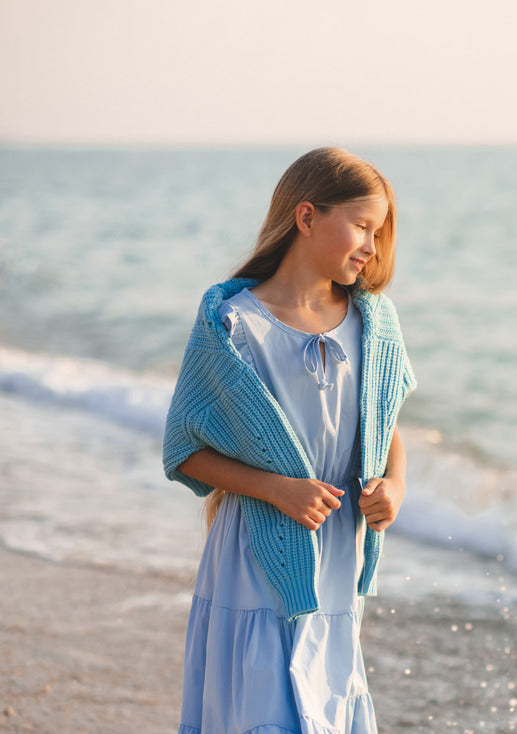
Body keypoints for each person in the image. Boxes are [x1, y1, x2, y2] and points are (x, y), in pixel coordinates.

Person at [162, 147, 416, 734]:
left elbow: (387, 428)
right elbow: (184, 450)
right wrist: (277, 490)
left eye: (378, 234)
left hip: (336, 562)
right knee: (260, 713)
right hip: (251, 558)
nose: (372, 248)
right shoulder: (232, 325)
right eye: (361, 227)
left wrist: (395, 487)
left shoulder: (373, 322)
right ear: (306, 218)